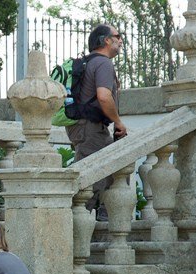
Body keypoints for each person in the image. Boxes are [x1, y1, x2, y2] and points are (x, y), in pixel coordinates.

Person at [66, 24, 127, 221]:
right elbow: (103, 96)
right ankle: (71, 224)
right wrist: (118, 122)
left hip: (85, 126)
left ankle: (102, 214)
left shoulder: (88, 62)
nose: (121, 40)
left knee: (113, 167)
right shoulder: (103, 63)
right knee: (90, 180)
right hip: (90, 127)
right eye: (117, 36)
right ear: (106, 40)